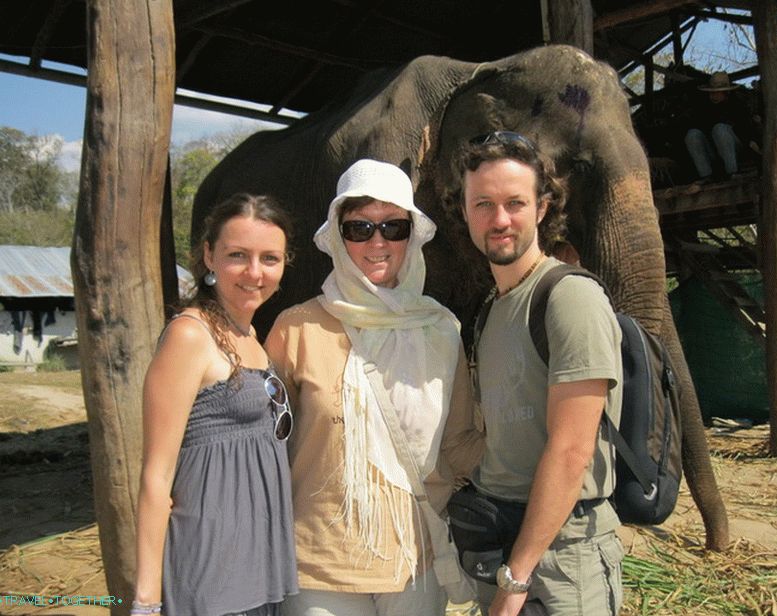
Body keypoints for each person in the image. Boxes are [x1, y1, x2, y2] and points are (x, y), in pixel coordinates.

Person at [265, 159, 484, 616]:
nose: (378, 242)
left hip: (416, 560)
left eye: (393, 227)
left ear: (411, 236)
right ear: (339, 238)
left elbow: (461, 441)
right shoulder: (296, 328)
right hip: (321, 567)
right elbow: (264, 449)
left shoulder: (441, 330)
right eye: (359, 228)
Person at [454, 131, 624, 616]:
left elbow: (572, 451)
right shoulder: (492, 309)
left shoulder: (568, 298)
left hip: (561, 555)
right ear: (465, 212)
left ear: (542, 209)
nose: (499, 219)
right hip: (502, 540)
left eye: (515, 203)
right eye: (482, 204)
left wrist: (516, 578)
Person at [133, 194, 299, 616]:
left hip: (260, 570)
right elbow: (156, 477)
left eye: (269, 258)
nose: (254, 272)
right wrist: (146, 601)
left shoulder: (253, 338)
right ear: (209, 256)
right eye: (237, 255)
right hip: (211, 576)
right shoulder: (190, 336)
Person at [684, 71, 754, 182]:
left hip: (736, 150)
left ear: (726, 92)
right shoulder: (704, 108)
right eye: (711, 93)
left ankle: (732, 172)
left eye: (717, 93)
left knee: (720, 129)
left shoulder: (738, 106)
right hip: (713, 151)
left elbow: (746, 132)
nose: (713, 95)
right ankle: (706, 176)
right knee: (692, 135)